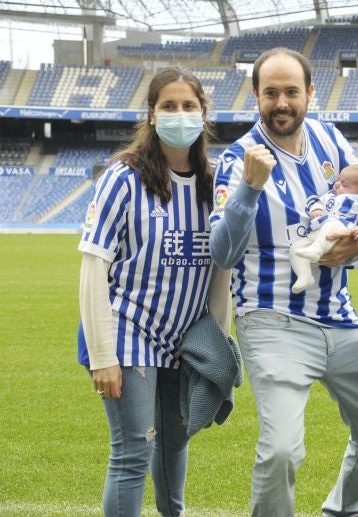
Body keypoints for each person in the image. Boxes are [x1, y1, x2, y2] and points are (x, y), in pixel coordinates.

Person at [208, 47, 358, 517]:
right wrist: (249, 189)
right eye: (271, 93)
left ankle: (342, 508)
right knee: (282, 451)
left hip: (338, 316)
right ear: (256, 96)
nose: (282, 103)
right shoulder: (238, 159)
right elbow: (223, 254)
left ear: (309, 93)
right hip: (273, 319)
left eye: (292, 91)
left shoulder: (331, 141)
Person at [78, 67, 232, 517]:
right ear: (151, 115)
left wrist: (216, 342)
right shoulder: (124, 177)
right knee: (133, 453)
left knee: (174, 448)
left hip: (186, 339)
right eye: (169, 105)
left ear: (203, 115)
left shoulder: (215, 181)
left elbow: (222, 267)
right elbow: (93, 265)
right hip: (129, 333)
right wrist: (103, 355)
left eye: (189, 106)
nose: (179, 114)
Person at [289, 164, 358, 293]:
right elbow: (317, 202)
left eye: (344, 184)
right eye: (338, 180)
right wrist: (317, 209)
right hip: (320, 231)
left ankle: (316, 249)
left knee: (332, 223)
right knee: (296, 248)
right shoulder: (332, 195)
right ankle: (304, 276)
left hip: (343, 231)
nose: (336, 185)